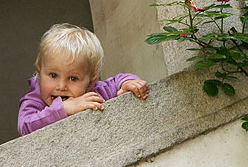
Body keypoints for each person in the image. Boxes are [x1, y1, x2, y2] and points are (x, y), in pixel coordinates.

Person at [17, 23, 149, 136]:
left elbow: (117, 81)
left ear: (90, 83)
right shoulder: (35, 100)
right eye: (53, 75)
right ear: (40, 74)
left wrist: (128, 83)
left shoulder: (96, 93)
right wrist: (63, 109)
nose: (61, 86)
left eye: (73, 78)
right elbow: (25, 127)